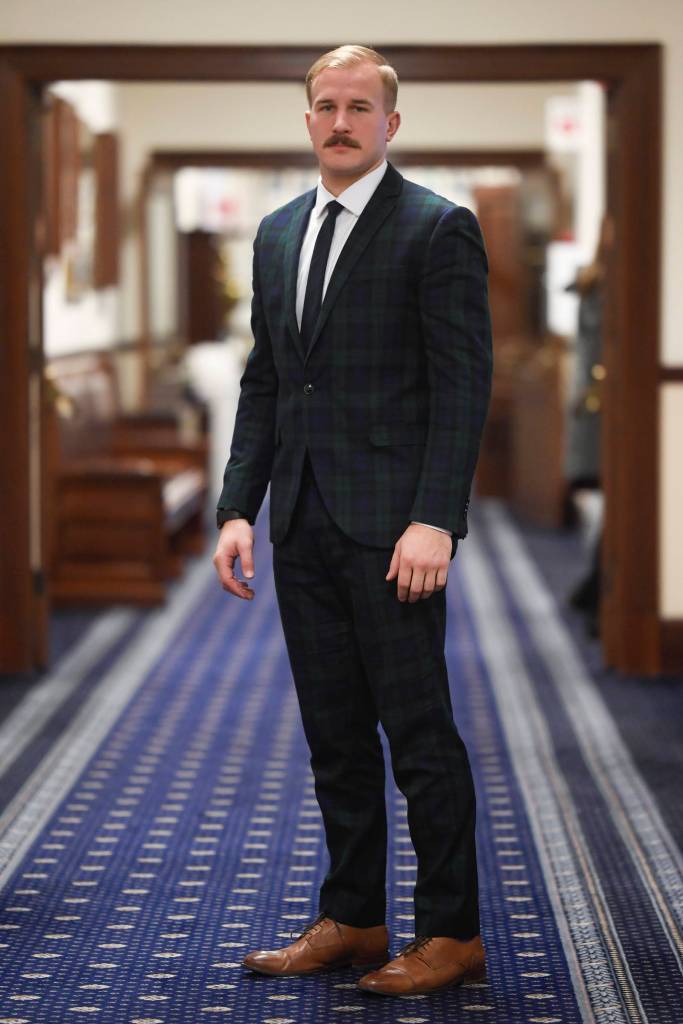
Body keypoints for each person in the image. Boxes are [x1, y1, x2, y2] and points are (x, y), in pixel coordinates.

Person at [213, 44, 493, 997]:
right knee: (333, 735)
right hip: (301, 520)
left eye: (359, 106)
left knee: (418, 738)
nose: (340, 120)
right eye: (325, 105)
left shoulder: (436, 228)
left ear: (390, 123)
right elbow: (267, 381)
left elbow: (462, 387)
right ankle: (356, 916)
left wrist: (435, 518)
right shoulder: (277, 232)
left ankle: (452, 932)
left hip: (393, 533)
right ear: (306, 120)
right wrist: (237, 507)